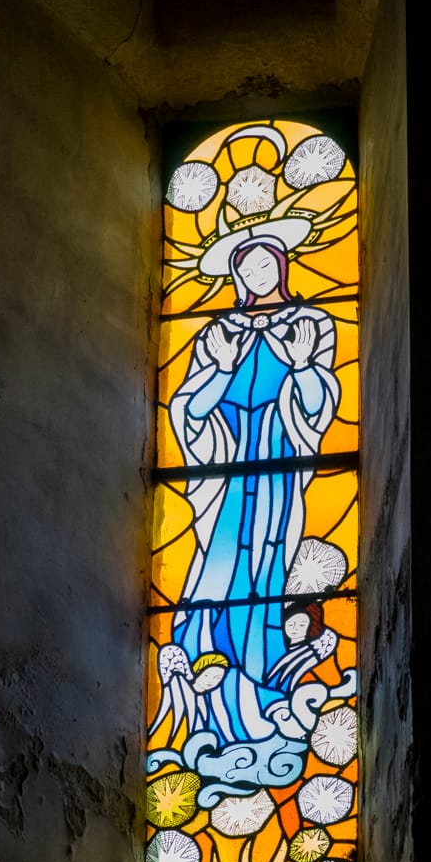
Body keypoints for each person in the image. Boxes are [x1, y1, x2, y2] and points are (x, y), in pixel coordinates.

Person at [166, 232, 340, 745]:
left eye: (266, 263)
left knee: (267, 572)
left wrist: (306, 364)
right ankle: (203, 675)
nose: (257, 274)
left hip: (279, 467)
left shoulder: (313, 324)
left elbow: (318, 407)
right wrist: (220, 370)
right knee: (215, 577)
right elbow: (189, 412)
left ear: (282, 267)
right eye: (247, 267)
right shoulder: (218, 333)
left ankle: (262, 684)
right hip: (228, 467)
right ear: (236, 276)